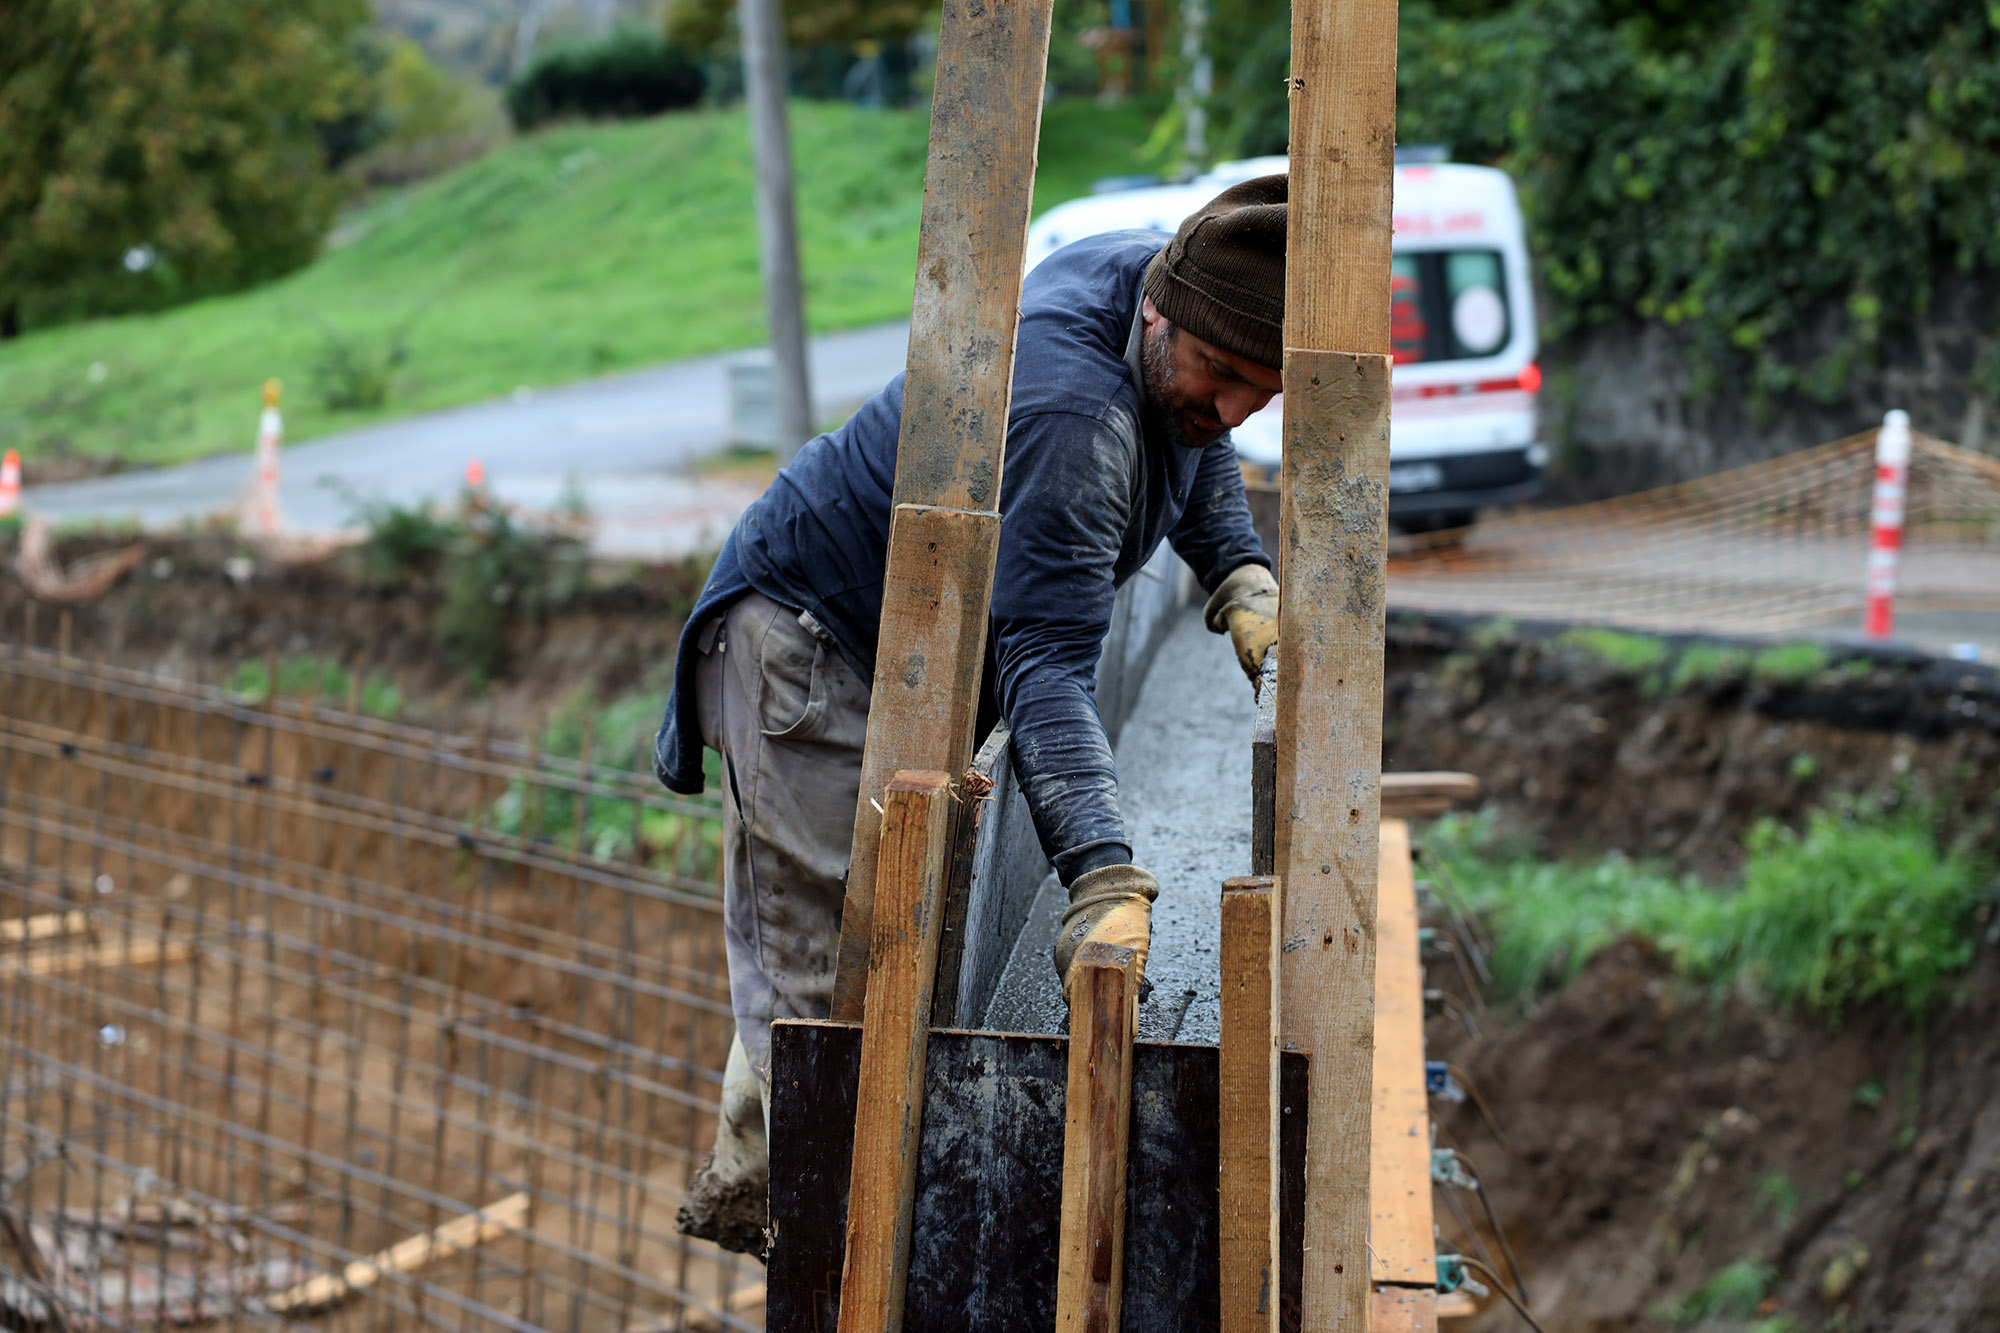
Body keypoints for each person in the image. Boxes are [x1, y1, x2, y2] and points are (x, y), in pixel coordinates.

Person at [653, 175, 1288, 1253]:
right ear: (1155, 312)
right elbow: (1043, 656)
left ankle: (788, 1185)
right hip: (806, 647)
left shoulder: (1161, 277)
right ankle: (802, 1241)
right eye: (1220, 374)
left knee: (870, 955)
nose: (1231, 408)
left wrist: (1234, 569)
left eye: (1260, 392)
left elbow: (1198, 435)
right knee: (830, 988)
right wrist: (1099, 870)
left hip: (906, 643)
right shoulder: (1067, 412)